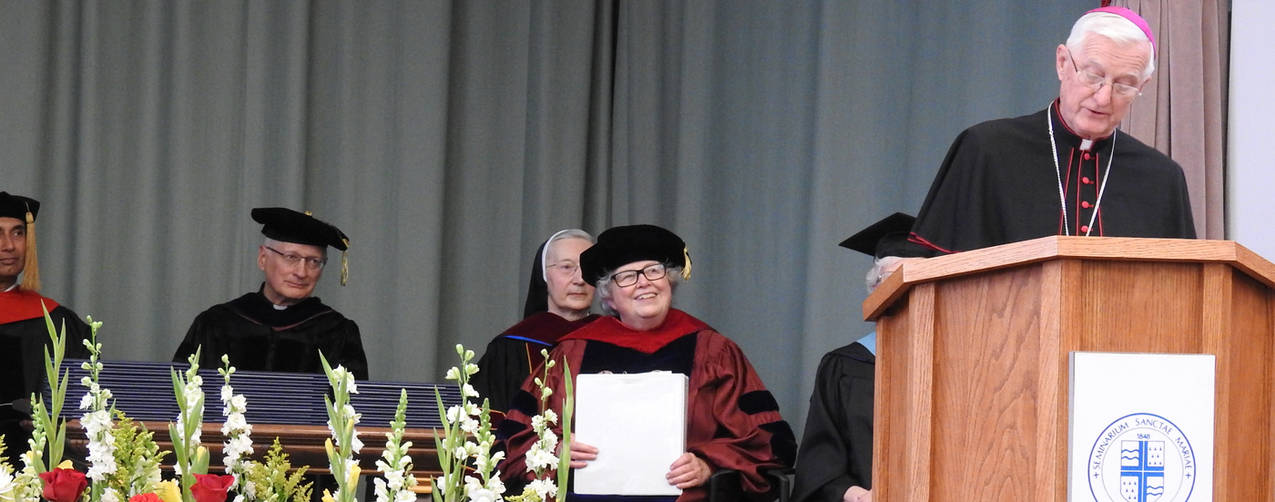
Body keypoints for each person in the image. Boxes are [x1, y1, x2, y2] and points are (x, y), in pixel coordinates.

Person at [498, 224, 796, 502]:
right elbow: (513, 440)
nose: (644, 284)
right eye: (627, 276)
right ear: (609, 295)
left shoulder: (713, 351)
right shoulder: (572, 352)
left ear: (669, 281)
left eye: (654, 271)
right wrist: (555, 449)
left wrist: (708, 464)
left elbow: (769, 441)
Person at [906, 6, 1196, 258]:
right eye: (1093, 76)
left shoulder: (1162, 179)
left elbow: (1184, 290)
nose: (1103, 97)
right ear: (1062, 63)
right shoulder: (986, 150)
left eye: (1124, 85)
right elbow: (933, 265)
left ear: (1142, 88)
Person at [791, 213, 915, 502]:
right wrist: (855, 495)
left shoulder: (962, 367)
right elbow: (819, 461)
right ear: (874, 290)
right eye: (894, 279)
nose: (908, 290)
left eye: (921, 280)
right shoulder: (845, 366)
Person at [172, 207, 367, 379]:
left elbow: (351, 410)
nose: (301, 272)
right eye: (291, 257)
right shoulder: (216, 324)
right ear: (263, 258)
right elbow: (180, 399)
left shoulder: (338, 332)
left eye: (314, 262)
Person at [471, 229, 598, 415]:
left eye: (589, 268)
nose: (580, 279)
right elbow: (485, 425)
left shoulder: (616, 343)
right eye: (566, 267)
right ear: (544, 275)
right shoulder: (510, 348)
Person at [0, 192, 91, 451]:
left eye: (18, 233)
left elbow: (81, 409)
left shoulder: (56, 322)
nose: (9, 246)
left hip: (34, 466)